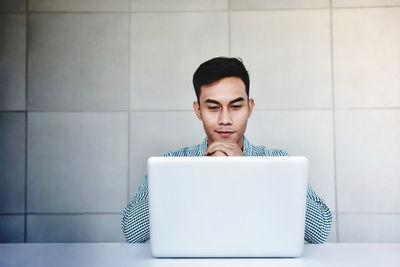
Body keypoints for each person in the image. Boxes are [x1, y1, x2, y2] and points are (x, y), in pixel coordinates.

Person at [122, 57, 332, 244]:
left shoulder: (278, 160)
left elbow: (320, 231)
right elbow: (132, 232)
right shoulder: (170, 163)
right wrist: (192, 177)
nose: (225, 120)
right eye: (213, 108)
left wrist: (252, 171)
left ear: (250, 108)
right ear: (198, 110)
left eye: (235, 106)